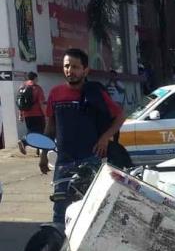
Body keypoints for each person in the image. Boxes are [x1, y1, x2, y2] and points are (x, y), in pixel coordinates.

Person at [40, 48, 126, 224]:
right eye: (66, 66)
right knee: (60, 211)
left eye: (75, 67)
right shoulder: (55, 93)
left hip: (89, 160)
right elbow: (50, 127)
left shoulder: (95, 93)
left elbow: (119, 117)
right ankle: (58, 246)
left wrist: (104, 138)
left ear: (85, 70)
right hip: (63, 162)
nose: (70, 71)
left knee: (89, 209)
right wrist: (43, 154)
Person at [17, 71, 46, 155]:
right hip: (38, 114)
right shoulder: (37, 88)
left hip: (27, 114)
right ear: (35, 78)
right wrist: (45, 114)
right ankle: (24, 141)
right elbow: (41, 103)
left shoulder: (22, 87)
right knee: (39, 132)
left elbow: (20, 102)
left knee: (31, 130)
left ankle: (38, 150)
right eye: (37, 78)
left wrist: (20, 114)